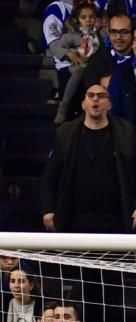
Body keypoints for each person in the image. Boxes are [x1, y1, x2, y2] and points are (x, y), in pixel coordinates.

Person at [41, 80, 136, 234]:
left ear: (109, 105)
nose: (95, 99)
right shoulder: (66, 134)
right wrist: (48, 210)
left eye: (101, 95)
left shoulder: (127, 134)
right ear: (83, 104)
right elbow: (50, 176)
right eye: (90, 95)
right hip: (74, 220)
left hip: (116, 220)